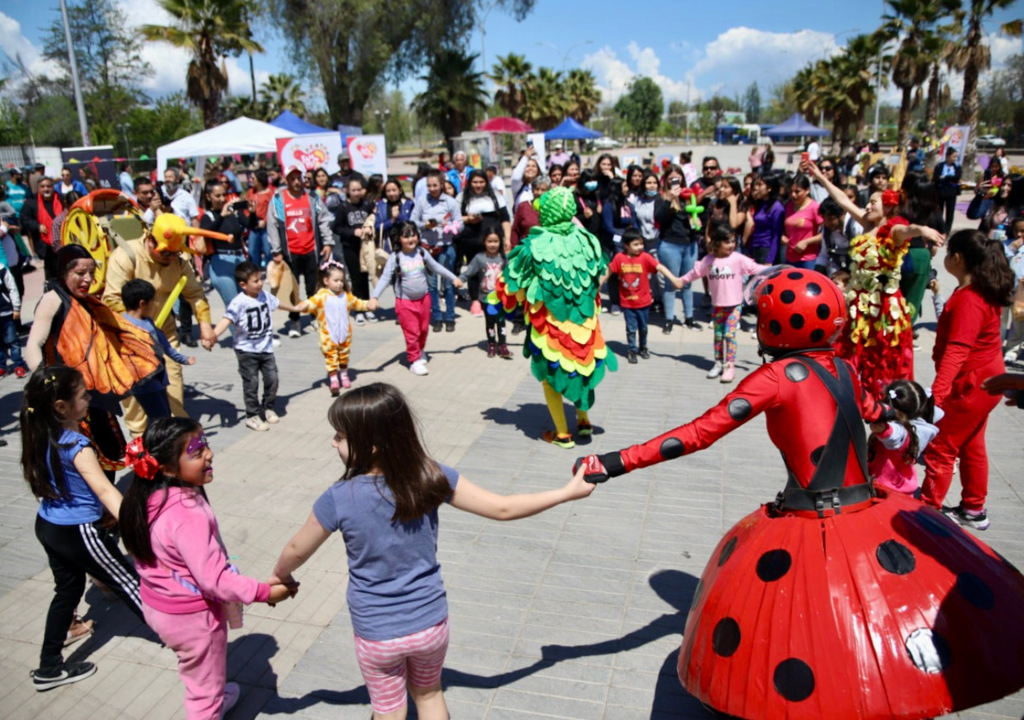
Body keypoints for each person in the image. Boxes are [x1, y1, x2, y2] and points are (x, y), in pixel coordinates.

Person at [574, 268, 1024, 720]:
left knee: (808, 632)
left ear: (771, 326)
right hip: (870, 510)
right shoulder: (845, 368)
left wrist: (613, 462)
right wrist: (903, 426)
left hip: (811, 522)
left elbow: (698, 434)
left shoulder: (773, 378)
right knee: (871, 628)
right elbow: (885, 424)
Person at [270, 383, 595, 720]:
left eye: (340, 436)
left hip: (377, 631)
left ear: (372, 444)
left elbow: (296, 549)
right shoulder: (430, 475)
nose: (332, 443)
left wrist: (280, 576)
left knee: (389, 710)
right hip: (429, 623)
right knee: (429, 695)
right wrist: (565, 493)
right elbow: (503, 508)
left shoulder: (338, 497)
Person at [119, 418, 297, 719]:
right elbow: (214, 580)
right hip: (193, 619)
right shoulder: (187, 512)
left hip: (159, 606)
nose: (209, 454)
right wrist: (265, 592)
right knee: (204, 695)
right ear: (167, 468)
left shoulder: (145, 496)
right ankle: (210, 703)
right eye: (197, 451)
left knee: (196, 668)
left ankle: (211, 688)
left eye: (206, 445)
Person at [21, 365, 145, 691]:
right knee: (131, 585)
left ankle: (48, 668)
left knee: (67, 592)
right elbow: (105, 490)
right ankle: (187, 642)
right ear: (61, 407)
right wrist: (137, 530)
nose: (90, 398)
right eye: (83, 395)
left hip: (48, 525)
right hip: (80, 532)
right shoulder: (76, 444)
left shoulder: (37, 431)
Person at [805, 160, 944, 396]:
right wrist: (820, 177)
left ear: (888, 207)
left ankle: (884, 401)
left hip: (883, 307)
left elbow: (906, 231)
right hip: (860, 303)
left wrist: (921, 230)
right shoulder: (866, 223)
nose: (867, 206)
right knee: (851, 351)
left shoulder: (893, 229)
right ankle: (848, 393)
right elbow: (843, 200)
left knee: (882, 359)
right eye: (868, 202)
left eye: (873, 202)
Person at [494, 187, 617, 449]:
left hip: (550, 325)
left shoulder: (535, 244)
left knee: (551, 375)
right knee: (582, 368)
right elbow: (599, 273)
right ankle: (583, 421)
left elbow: (510, 282)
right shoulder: (586, 239)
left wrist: (497, 297)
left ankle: (562, 434)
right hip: (585, 321)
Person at [921, 229, 1016, 529]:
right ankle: (974, 509)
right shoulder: (980, 290)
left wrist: (936, 395)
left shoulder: (970, 299)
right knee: (971, 444)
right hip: (987, 379)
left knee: (941, 448)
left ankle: (924, 515)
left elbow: (957, 350)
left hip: (972, 383)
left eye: (948, 252)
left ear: (957, 258)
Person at [102, 215, 221, 433]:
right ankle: (140, 442)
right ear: (150, 240)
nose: (169, 258)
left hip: (164, 332)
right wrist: (138, 327)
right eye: (165, 253)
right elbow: (111, 300)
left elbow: (195, 294)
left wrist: (205, 324)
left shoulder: (177, 261)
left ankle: (172, 436)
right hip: (130, 339)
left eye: (174, 253)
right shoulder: (126, 257)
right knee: (136, 401)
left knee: (172, 384)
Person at [212, 262, 297, 431]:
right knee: (251, 384)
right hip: (246, 351)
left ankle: (268, 407)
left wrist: (295, 308)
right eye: (256, 281)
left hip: (265, 349)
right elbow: (226, 320)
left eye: (261, 279)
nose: (260, 283)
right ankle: (252, 415)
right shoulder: (239, 302)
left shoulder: (264, 296)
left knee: (272, 379)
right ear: (243, 285)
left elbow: (278, 303)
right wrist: (213, 336)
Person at [678, 224, 768, 382]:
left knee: (729, 335)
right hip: (717, 305)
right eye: (727, 242)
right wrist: (681, 281)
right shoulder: (708, 261)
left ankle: (729, 365)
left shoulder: (738, 259)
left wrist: (774, 269)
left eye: (733, 241)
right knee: (718, 335)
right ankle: (718, 362)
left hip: (734, 305)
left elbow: (755, 268)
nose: (731, 245)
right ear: (717, 242)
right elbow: (694, 273)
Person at [371, 222, 464, 376]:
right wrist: (374, 297)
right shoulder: (395, 257)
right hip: (405, 303)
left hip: (424, 299)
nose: (411, 239)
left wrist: (454, 278)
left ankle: (420, 350)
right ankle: (414, 360)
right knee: (412, 332)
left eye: (413, 234)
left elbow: (437, 267)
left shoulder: (422, 252)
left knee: (423, 330)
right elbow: (385, 278)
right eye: (406, 236)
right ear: (398, 238)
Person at [267, 166, 335, 339]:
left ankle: (315, 317)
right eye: (292, 178)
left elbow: (324, 220)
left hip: (311, 250)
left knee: (314, 286)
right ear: (286, 179)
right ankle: (295, 320)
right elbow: (272, 225)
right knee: (292, 289)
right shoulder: (278, 200)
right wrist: (276, 250)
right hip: (290, 253)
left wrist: (327, 242)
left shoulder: (312, 198)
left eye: (299, 178)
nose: (297, 182)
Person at [295, 259, 377, 395]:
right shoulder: (321, 296)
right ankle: (333, 379)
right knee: (331, 358)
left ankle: (344, 374)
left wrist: (369, 304)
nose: (339, 283)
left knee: (344, 356)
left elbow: (358, 303)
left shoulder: (346, 296)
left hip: (345, 334)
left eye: (341, 280)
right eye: (336, 280)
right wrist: (303, 306)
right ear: (326, 281)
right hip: (328, 336)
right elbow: (310, 304)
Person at [603, 228, 683, 364]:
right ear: (626, 245)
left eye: (641, 244)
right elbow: (607, 273)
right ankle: (632, 350)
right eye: (636, 244)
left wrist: (674, 279)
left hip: (644, 302)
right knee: (631, 328)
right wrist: (596, 287)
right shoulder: (619, 258)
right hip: (627, 303)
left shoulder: (645, 257)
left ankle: (643, 347)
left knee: (644, 327)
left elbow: (660, 268)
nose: (640, 247)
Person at [121, 279, 196, 421]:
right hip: (144, 383)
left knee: (162, 416)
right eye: (153, 301)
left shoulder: (147, 321)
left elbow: (164, 344)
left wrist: (183, 359)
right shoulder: (124, 327)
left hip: (158, 378)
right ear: (142, 304)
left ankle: (156, 440)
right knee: (160, 419)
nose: (155, 305)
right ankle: (155, 442)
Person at [868, 378, 942, 496]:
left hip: (887, 492)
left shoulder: (904, 434)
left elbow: (894, 435)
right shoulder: (921, 427)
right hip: (905, 490)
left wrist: (880, 426)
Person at [410, 171, 462, 333]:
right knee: (431, 285)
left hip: (445, 247)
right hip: (427, 248)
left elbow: (459, 223)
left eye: (435, 185)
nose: (432, 188)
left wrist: (449, 227)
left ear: (441, 184)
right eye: (429, 185)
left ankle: (450, 317)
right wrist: (425, 225)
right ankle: (437, 316)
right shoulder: (421, 201)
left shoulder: (450, 202)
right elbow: (412, 222)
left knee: (448, 284)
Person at [456, 170, 511, 316]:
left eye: (481, 182)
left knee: (497, 268)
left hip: (493, 240)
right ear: (470, 182)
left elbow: (505, 219)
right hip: (471, 241)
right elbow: (454, 219)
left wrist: (507, 238)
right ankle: (475, 300)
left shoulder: (496, 197)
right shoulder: (462, 197)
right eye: (475, 182)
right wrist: (468, 219)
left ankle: (497, 298)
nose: (478, 185)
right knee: (474, 270)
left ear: (486, 182)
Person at [655, 167, 703, 333]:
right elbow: (659, 218)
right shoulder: (662, 197)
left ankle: (689, 318)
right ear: (666, 180)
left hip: (689, 244)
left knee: (687, 283)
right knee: (671, 283)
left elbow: (695, 217)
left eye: (678, 179)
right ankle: (669, 319)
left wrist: (698, 224)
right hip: (670, 245)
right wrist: (669, 199)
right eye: (671, 179)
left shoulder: (689, 197)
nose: (675, 182)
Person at [458, 227, 510, 358]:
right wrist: (460, 279)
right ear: (484, 242)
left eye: (496, 241)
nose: (492, 244)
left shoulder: (504, 258)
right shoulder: (479, 258)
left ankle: (503, 345)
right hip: (486, 297)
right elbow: (469, 271)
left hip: (501, 298)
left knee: (501, 321)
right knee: (490, 322)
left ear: (500, 242)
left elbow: (512, 275)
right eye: (489, 241)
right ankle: (492, 344)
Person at [331, 175, 376, 323]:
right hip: (350, 246)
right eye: (353, 190)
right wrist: (352, 232)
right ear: (347, 191)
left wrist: (369, 228)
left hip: (365, 246)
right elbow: (337, 227)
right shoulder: (343, 207)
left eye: (359, 190)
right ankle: (358, 310)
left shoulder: (366, 205)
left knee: (365, 277)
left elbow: (372, 219)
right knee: (355, 277)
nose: (357, 193)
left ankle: (367, 306)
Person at [199, 180, 247, 310]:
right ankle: (237, 331)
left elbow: (251, 225)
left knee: (248, 302)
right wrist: (221, 216)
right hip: (221, 262)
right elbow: (207, 233)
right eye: (217, 196)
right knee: (233, 305)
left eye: (224, 195)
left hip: (239, 259)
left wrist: (250, 212)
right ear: (208, 197)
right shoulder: (208, 216)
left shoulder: (233, 213)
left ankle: (248, 331)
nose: (222, 199)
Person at [19, 176, 63, 278]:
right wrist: (37, 226)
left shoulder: (61, 199)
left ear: (53, 187)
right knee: (51, 273)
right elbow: (24, 218)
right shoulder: (31, 202)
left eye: (49, 186)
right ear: (38, 188)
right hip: (45, 243)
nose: (46, 189)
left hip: (63, 240)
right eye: (42, 187)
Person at [781, 174, 823, 270]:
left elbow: (825, 233)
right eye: (791, 191)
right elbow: (783, 228)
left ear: (807, 190)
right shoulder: (788, 206)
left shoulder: (814, 207)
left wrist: (807, 242)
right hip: (790, 257)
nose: (793, 195)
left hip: (808, 259)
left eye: (797, 191)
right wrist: (782, 236)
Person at [745, 174, 785, 265]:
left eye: (760, 185)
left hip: (766, 248)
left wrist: (770, 260)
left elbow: (776, 235)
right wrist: (750, 251)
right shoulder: (760, 204)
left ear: (769, 188)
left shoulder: (777, 207)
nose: (757, 188)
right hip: (756, 247)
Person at [0, 260, 25, 378]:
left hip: (6, 312)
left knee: (12, 340)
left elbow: (12, 288)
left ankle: (18, 364)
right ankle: (2, 366)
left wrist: (16, 307)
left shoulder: (2, 269)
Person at [814, 198, 851, 276]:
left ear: (842, 213)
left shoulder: (855, 226)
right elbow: (824, 254)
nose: (827, 223)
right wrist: (817, 273)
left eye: (831, 219)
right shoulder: (827, 230)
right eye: (824, 219)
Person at [245, 169, 274, 269]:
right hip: (253, 225)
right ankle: (255, 270)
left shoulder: (269, 193)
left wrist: (265, 221)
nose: (250, 180)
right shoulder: (250, 192)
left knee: (267, 250)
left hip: (265, 226)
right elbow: (246, 207)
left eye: (253, 178)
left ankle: (270, 270)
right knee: (252, 250)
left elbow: (272, 210)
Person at [510, 176, 548, 249]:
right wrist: (514, 249)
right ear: (532, 190)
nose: (539, 193)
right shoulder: (523, 206)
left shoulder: (551, 208)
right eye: (537, 189)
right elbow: (515, 230)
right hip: (526, 249)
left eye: (543, 190)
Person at [374, 179, 415, 247]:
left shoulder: (408, 204)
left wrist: (399, 216)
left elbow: (412, 224)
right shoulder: (380, 205)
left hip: (405, 244)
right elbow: (377, 226)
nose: (391, 193)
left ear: (400, 190)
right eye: (388, 191)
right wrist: (392, 221)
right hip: (387, 244)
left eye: (394, 190)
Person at [933, 147, 962, 234]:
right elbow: (936, 178)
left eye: (956, 157)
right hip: (941, 191)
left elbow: (957, 178)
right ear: (948, 156)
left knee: (950, 212)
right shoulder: (940, 166)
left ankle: (947, 230)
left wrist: (946, 177)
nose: (955, 159)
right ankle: (939, 228)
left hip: (951, 192)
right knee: (939, 211)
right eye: (953, 156)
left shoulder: (957, 167)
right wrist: (945, 178)